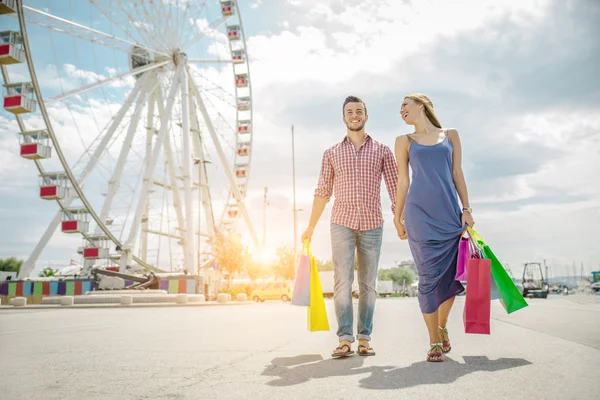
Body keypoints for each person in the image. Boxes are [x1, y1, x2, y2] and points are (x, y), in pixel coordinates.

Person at [301, 95, 397, 358]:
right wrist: (310, 227)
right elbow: (322, 192)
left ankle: (365, 338)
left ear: (366, 115)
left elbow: (395, 188)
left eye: (359, 111)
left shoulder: (382, 151)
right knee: (342, 282)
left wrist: (401, 219)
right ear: (343, 118)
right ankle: (345, 338)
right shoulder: (331, 153)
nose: (354, 115)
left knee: (368, 284)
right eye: (349, 112)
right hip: (341, 223)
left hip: (372, 224)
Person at [393, 93, 474, 362]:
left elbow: (457, 174)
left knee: (450, 278)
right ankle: (434, 341)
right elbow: (403, 182)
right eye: (400, 107)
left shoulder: (451, 135)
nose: (402, 110)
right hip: (419, 216)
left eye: (405, 104)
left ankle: (441, 326)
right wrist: (397, 215)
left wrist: (466, 209)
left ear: (422, 105)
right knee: (428, 278)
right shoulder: (404, 141)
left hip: (450, 215)